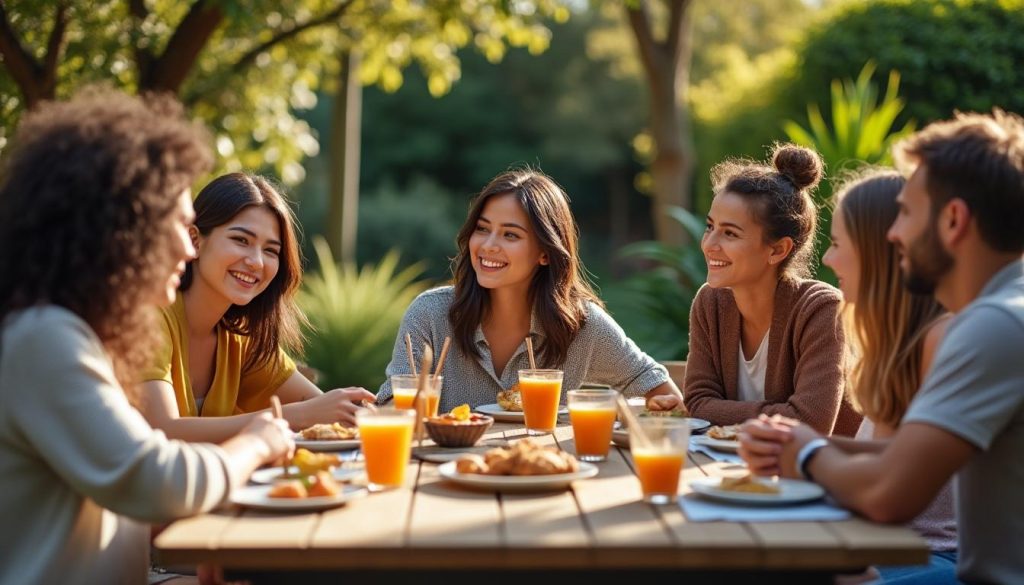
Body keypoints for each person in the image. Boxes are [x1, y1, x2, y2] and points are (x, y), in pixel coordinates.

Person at [0, 88, 293, 585]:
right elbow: (156, 480)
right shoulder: (43, 338)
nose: (187, 244)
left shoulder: (82, 333)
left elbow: (118, 497)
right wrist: (258, 441)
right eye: (178, 225)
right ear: (120, 227)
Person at [740, 110, 1024, 584]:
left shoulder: (992, 326)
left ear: (953, 220)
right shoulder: (998, 313)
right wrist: (800, 443)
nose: (894, 234)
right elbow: (900, 460)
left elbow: (889, 495)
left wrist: (808, 454)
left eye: (908, 213)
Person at [376, 167, 683, 412]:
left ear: (545, 252)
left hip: (546, 479)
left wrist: (625, 414)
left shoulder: (582, 326)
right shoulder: (430, 315)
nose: (488, 245)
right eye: (482, 229)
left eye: (510, 235)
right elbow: (392, 408)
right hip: (443, 480)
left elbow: (657, 388)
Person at [137, 173, 375, 442]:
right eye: (241, 240)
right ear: (195, 240)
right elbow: (162, 430)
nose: (256, 262)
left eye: (271, 251)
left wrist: (367, 414)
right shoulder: (151, 316)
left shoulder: (241, 338)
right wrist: (298, 415)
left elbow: (323, 408)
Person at [822, 169, 956, 581]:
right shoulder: (891, 346)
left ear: (880, 253)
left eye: (836, 244)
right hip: (887, 547)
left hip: (937, 561)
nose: (826, 259)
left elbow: (884, 490)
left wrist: (809, 455)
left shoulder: (942, 344)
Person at [683, 143, 861, 436]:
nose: (710, 244)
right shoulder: (710, 302)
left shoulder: (820, 309)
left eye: (730, 233)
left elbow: (811, 423)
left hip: (823, 476)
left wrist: (720, 412)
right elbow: (697, 403)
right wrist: (782, 413)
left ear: (777, 250)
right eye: (710, 227)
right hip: (738, 468)